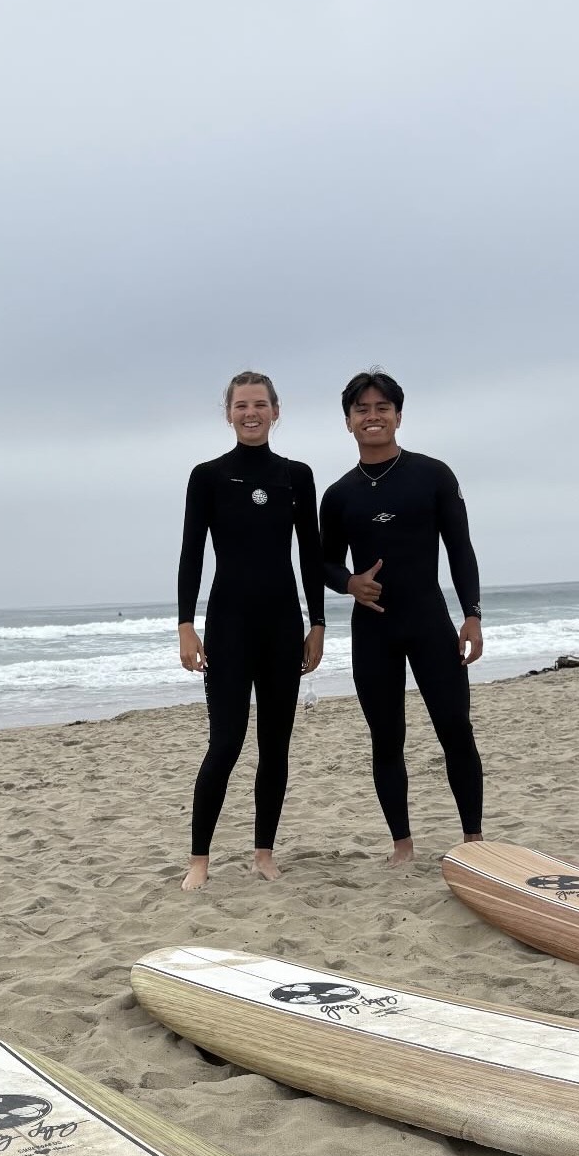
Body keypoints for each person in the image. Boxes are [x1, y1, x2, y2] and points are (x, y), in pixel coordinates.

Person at [319, 369, 483, 863]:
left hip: (430, 622)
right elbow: (322, 562)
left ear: (398, 416)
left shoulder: (433, 475)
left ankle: (473, 838)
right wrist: (349, 582)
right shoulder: (339, 494)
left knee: (455, 727)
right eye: (362, 410)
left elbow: (460, 548)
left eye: (381, 408)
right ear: (348, 422)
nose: (373, 417)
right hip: (373, 630)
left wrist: (471, 614)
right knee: (386, 737)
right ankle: (402, 845)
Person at [177, 371, 325, 891]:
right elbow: (192, 552)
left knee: (276, 745)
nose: (251, 412)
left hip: (283, 624)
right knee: (226, 741)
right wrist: (186, 627)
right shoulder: (208, 476)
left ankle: (264, 851)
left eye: (260, 404)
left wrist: (318, 624)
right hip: (229, 625)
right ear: (229, 413)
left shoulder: (296, 476)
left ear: (276, 411)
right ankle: (200, 858)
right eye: (241, 405)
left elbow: (311, 556)